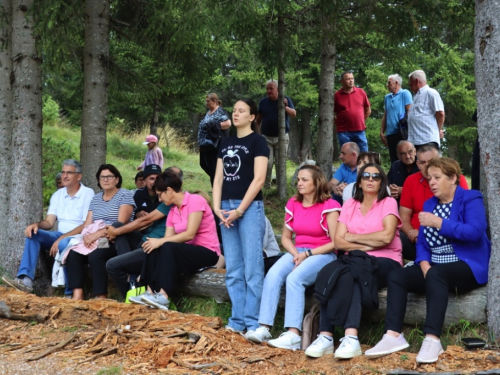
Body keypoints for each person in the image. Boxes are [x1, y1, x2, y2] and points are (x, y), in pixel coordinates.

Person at [365, 158, 490, 364]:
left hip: (466, 265)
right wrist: (423, 264)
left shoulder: (470, 198)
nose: (431, 182)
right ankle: (393, 335)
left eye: (437, 177)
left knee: (436, 273)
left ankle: (432, 339)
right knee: (397, 276)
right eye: (429, 177)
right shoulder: (429, 204)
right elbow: (422, 243)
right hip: (434, 268)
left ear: (453, 178)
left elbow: (475, 232)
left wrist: (440, 223)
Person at [304, 163, 402, 359]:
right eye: (366, 176)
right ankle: (326, 336)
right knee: (330, 272)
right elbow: (339, 241)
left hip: (386, 260)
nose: (370, 179)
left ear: (382, 182)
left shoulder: (388, 202)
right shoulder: (350, 205)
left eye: (376, 176)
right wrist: (365, 243)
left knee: (355, 273)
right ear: (359, 181)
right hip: (354, 259)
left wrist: (353, 238)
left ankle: (351, 337)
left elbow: (386, 237)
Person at [245, 165, 340, 350]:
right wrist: (297, 255)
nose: (300, 183)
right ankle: (264, 327)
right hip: (297, 251)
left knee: (294, 278)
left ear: (317, 182)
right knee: (272, 275)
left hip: (323, 253)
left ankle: (293, 334)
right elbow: (287, 239)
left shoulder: (330, 206)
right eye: (298, 180)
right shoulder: (293, 203)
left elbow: (335, 243)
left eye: (304, 179)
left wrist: (307, 255)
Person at [213, 98, 269, 333]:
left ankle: (253, 322)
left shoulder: (258, 141)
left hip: (248, 209)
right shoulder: (225, 143)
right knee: (234, 267)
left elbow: (259, 179)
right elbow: (218, 179)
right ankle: (236, 321)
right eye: (234, 110)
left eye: (241, 111)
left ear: (252, 116)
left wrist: (240, 210)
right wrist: (217, 208)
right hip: (225, 207)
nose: (236, 114)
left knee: (252, 268)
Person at [130, 170, 220, 309]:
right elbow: (167, 238)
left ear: (170, 190)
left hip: (207, 252)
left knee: (165, 245)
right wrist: (156, 243)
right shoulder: (172, 210)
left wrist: (160, 242)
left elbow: (190, 234)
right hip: (185, 252)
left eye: (160, 194)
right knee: (155, 245)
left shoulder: (196, 201)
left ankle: (163, 296)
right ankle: (149, 292)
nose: (159, 199)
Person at [2, 160, 94, 294]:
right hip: (60, 235)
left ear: (78, 176)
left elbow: (86, 225)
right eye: (63, 172)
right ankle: (26, 280)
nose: (65, 176)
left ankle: (69, 293)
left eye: (69, 172)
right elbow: (49, 222)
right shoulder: (58, 195)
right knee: (34, 234)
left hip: (79, 237)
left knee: (64, 245)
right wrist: (36, 225)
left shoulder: (88, 193)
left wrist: (61, 238)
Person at [105, 167, 183, 299]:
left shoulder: (173, 201)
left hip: (152, 246)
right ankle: (131, 272)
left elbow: (147, 220)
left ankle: (129, 295)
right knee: (118, 225)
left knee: (112, 264)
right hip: (145, 239)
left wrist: (116, 231)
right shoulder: (166, 199)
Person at [66, 164, 136, 300]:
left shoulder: (125, 195)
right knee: (73, 254)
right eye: (102, 177)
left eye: (109, 176)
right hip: (93, 236)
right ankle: (77, 294)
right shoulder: (96, 198)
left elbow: (120, 224)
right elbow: (88, 223)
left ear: (117, 179)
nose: (105, 180)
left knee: (96, 256)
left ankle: (101, 296)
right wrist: (86, 237)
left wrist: (97, 234)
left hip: (115, 239)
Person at [399, 144, 468, 261]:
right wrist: (415, 235)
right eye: (423, 162)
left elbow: (464, 216)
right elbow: (403, 217)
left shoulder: (455, 179)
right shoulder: (411, 181)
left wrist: (422, 233)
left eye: (432, 162)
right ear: (417, 164)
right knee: (397, 237)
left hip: (448, 239)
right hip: (416, 241)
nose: (427, 166)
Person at [256, 79, 296, 188]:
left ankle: (280, 188)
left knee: (280, 164)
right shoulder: (263, 102)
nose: (268, 91)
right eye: (267, 89)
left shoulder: (285, 99)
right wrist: (259, 136)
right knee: (267, 163)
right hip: (266, 138)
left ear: (277, 89)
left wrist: (284, 106)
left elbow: (293, 114)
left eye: (271, 88)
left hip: (282, 138)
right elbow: (258, 120)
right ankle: (266, 187)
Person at [198, 93, 232, 186]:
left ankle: (218, 185)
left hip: (214, 145)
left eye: (208, 101)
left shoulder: (220, 111)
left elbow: (228, 123)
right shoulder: (208, 112)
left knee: (214, 166)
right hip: (205, 144)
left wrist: (215, 126)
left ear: (215, 101)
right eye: (206, 101)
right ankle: (218, 181)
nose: (206, 103)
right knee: (203, 164)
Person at [407, 70, 445, 150]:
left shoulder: (431, 93)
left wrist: (437, 130)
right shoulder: (415, 96)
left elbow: (440, 114)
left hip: (427, 140)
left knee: (429, 162)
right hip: (414, 142)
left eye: (410, 82)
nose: (409, 84)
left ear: (417, 81)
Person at [334, 71, 371, 152]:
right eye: (347, 79)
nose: (351, 81)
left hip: (360, 130)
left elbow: (368, 110)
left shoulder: (361, 92)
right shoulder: (337, 95)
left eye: (352, 78)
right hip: (344, 132)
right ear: (342, 81)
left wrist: (361, 121)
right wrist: (338, 125)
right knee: (347, 155)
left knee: (363, 154)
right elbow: (332, 113)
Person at [380, 74, 413, 163]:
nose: (387, 85)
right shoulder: (387, 97)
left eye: (389, 83)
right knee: (393, 159)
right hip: (390, 133)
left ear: (396, 82)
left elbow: (410, 112)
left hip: (401, 132)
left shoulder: (405, 93)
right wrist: (382, 131)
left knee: (403, 157)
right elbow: (385, 115)